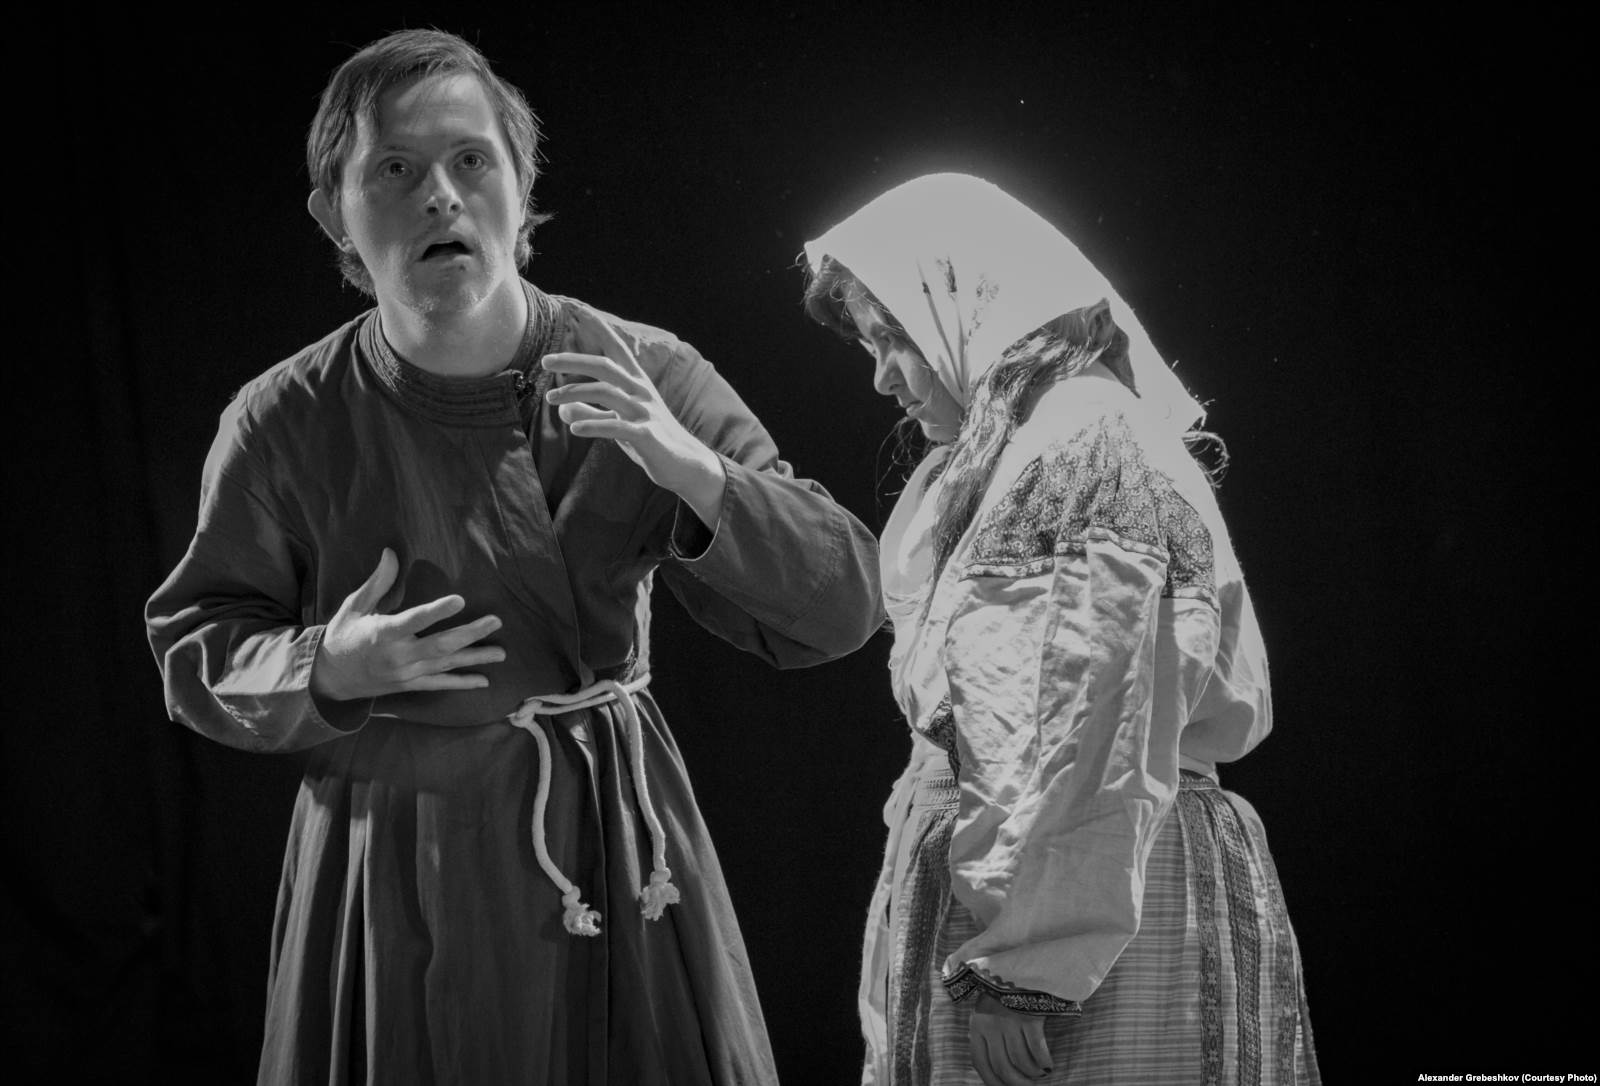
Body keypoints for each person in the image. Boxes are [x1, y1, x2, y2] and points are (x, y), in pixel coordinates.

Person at [145, 29, 881, 1084]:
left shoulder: (647, 371)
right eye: (395, 170)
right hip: (398, 855)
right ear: (333, 214)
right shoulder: (281, 420)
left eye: (470, 160)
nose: (440, 196)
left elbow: (842, 602)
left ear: (521, 183)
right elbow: (199, 645)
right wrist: (326, 667)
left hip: (615, 842)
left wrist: (692, 471)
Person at [802, 174, 1320, 1086]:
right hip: (1041, 893)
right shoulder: (1028, 448)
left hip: (1084, 918)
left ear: (971, 305)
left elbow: (1082, 730)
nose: (882, 375)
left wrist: (1027, 962)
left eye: (894, 338)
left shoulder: (1081, 445)